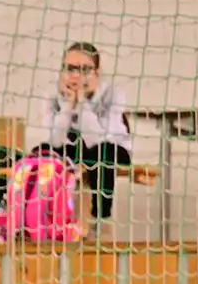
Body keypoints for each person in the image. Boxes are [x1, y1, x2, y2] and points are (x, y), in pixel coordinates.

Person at [38, 42, 131, 237]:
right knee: (42, 152)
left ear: (96, 73)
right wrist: (68, 105)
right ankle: (46, 218)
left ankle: (101, 218)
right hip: (75, 148)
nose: (76, 75)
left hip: (111, 148)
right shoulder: (52, 94)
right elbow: (54, 140)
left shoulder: (113, 94)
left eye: (84, 69)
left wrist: (82, 102)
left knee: (102, 153)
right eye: (70, 68)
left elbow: (97, 140)